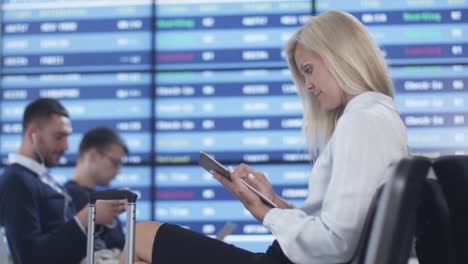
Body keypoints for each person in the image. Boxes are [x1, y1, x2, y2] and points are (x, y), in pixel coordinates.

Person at [121, 10, 409, 264]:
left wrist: (266, 215)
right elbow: (337, 230)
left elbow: (335, 244)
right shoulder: (377, 116)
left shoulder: (360, 121)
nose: (307, 86)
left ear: (342, 57)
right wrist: (272, 202)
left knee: (140, 236)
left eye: (309, 70)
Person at [0, 98, 127, 264]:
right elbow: (29, 257)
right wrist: (87, 216)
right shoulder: (17, 181)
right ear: (33, 134)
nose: (67, 146)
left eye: (67, 137)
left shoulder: (40, 180)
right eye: (59, 137)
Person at [65, 127, 129, 252]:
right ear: (93, 155)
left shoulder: (104, 201)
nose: (119, 171)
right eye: (115, 162)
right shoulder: (64, 200)